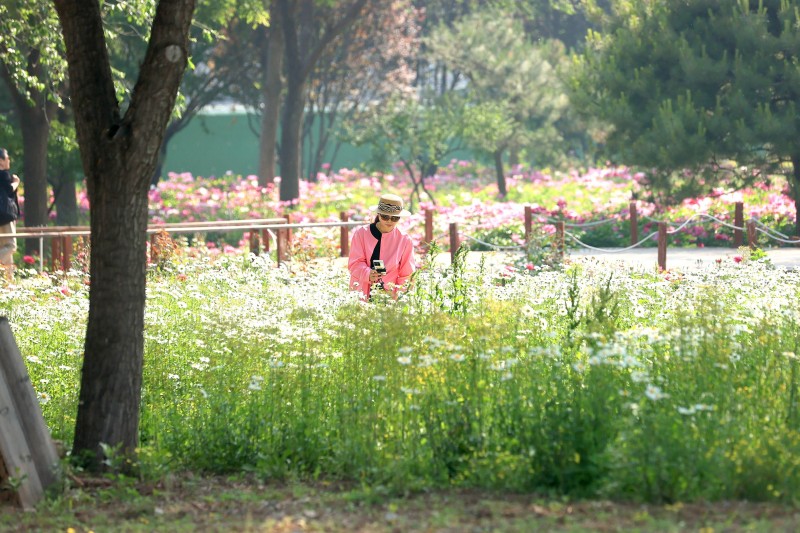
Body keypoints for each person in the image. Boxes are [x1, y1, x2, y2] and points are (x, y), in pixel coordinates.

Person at [348, 193, 415, 300]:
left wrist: (399, 297)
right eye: (385, 216)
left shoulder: (405, 240)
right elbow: (354, 263)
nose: (389, 221)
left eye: (394, 218)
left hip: (389, 296)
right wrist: (367, 274)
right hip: (361, 292)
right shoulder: (361, 233)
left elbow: (406, 274)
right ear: (378, 214)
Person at [0, 148, 19, 282]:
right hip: (6, 217)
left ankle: (9, 283)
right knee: (11, 245)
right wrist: (16, 182)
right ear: (1, 161)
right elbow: (9, 189)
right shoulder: (4, 174)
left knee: (4, 249)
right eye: (7, 158)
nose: (9, 161)